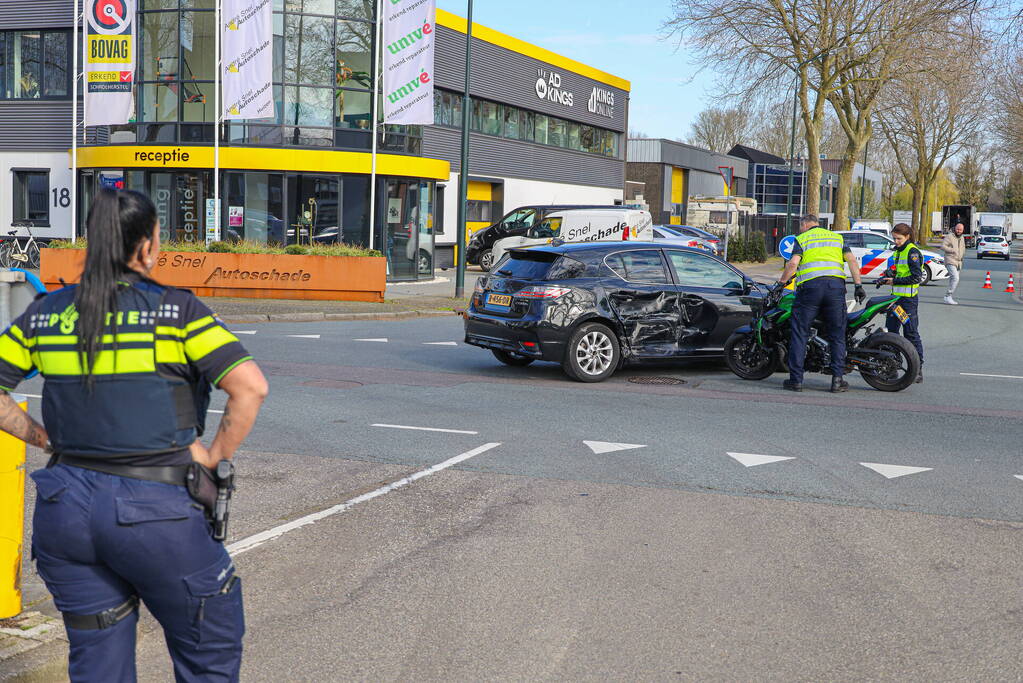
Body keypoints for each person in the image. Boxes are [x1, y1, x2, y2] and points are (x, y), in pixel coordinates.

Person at [0, 189, 268, 681]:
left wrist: (45, 440)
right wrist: (213, 458)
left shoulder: (45, 314)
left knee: (98, 659)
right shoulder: (178, 312)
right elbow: (249, 387)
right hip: (157, 512)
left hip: (66, 514)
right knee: (208, 650)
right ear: (147, 246)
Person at [778, 215, 866, 393]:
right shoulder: (836, 238)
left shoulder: (802, 239)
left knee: (800, 333)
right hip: (835, 289)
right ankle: (837, 381)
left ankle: (796, 380)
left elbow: (793, 263)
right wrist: (858, 286)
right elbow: (852, 261)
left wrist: (781, 284)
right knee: (837, 334)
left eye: (800, 226)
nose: (800, 229)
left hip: (809, 290)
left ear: (804, 224)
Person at [878, 222, 925, 383]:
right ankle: (893, 368)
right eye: (894, 238)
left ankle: (917, 369)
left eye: (898, 238)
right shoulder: (899, 251)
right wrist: (887, 275)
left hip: (907, 301)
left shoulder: (912, 252)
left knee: (911, 333)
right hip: (895, 301)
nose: (896, 241)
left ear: (907, 236)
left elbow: (916, 277)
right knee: (891, 334)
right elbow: (899, 270)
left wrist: (894, 280)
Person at [941, 222, 965, 304]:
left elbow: (963, 248)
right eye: (957, 229)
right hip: (950, 260)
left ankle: (948, 297)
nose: (959, 231)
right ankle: (948, 295)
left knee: (953, 279)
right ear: (955, 228)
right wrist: (952, 250)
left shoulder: (962, 238)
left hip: (958, 262)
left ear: (963, 230)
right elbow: (943, 246)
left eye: (960, 230)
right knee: (955, 278)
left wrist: (962, 257)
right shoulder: (950, 236)